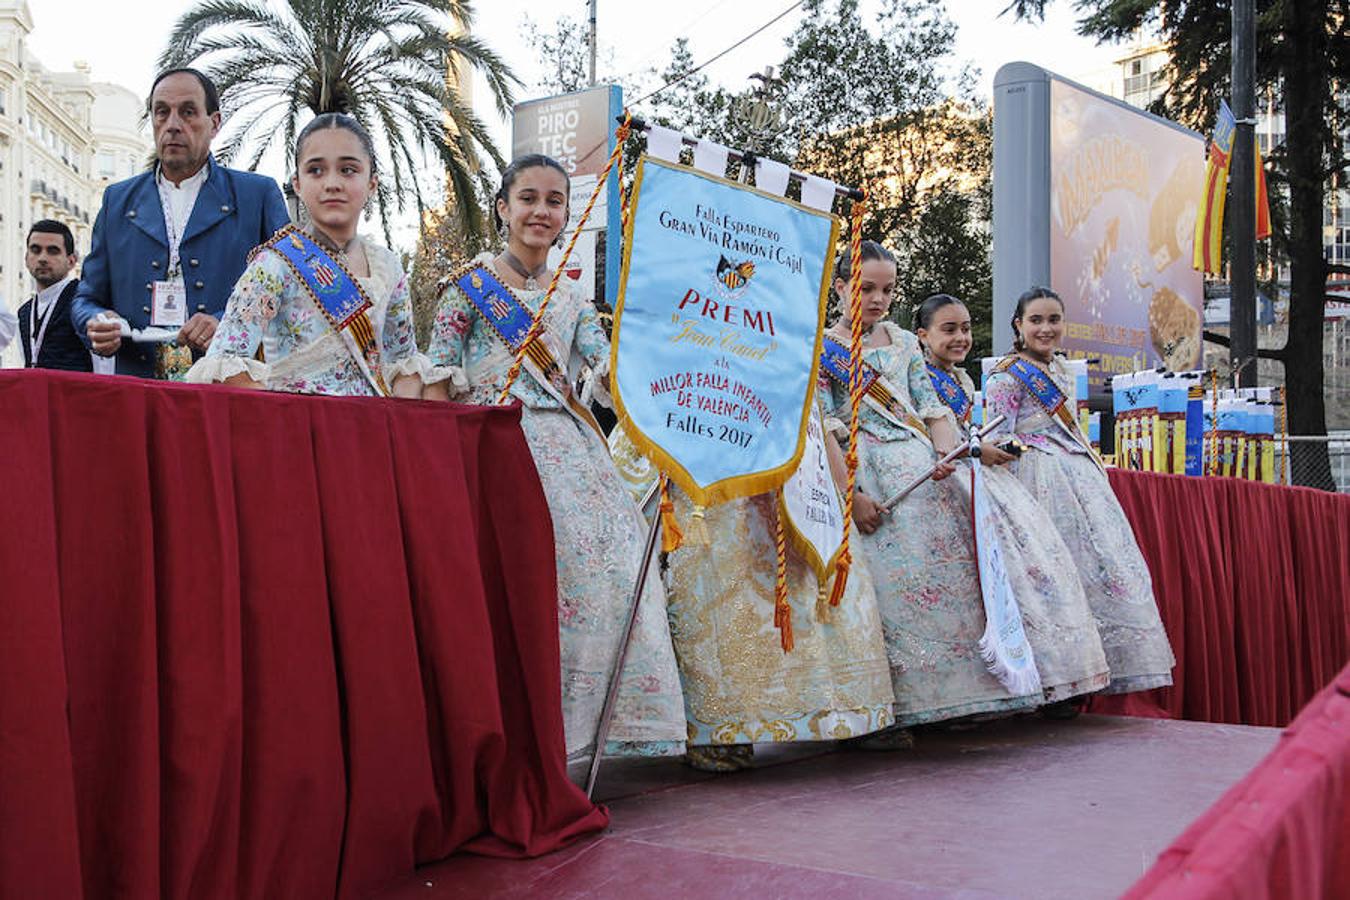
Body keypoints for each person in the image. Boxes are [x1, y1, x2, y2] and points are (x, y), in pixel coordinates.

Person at [423, 155, 687, 766]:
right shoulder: (468, 287)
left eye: (555, 201)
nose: (541, 212)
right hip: (492, 446)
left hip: (570, 450)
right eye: (529, 199)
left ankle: (583, 732)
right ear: (503, 207)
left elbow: (606, 368)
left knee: (610, 573)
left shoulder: (572, 298)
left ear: (569, 212)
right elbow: (437, 377)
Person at [820, 242, 1040, 730]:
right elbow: (824, 426)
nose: (878, 299)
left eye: (887, 290)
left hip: (925, 476)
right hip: (864, 474)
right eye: (866, 288)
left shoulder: (901, 343)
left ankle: (955, 699)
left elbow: (931, 407)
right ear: (839, 287)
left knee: (950, 584)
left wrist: (947, 452)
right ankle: (890, 709)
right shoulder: (819, 348)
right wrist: (850, 495)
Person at [656, 403, 898, 771]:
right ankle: (721, 728)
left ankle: (845, 713)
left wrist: (843, 491)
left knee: (809, 595)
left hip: (791, 462)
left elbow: (815, 411)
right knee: (722, 594)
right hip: (708, 454)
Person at [915, 293, 1110, 711]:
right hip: (958, 475)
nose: (961, 337)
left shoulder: (965, 379)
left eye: (965, 329)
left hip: (991, 473)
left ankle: (1053, 676)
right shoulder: (930, 376)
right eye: (949, 330)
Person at [983, 287, 1175, 693]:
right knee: (1048, 578)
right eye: (1036, 320)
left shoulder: (1063, 370)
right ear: (1018, 325)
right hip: (1036, 481)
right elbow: (998, 438)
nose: (1046, 328)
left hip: (1078, 478)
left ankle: (1084, 674)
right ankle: (1050, 678)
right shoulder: (1006, 374)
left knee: (1092, 568)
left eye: (1054, 320)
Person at [71, 67, 290, 379]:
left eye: (187, 112)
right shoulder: (117, 201)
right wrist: (96, 321)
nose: (172, 125)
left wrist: (228, 323)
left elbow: (288, 290)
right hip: (138, 390)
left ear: (214, 123)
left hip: (227, 385)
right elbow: (86, 298)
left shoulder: (257, 195)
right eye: (162, 112)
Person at [187, 114, 425, 397]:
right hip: (295, 431)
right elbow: (223, 361)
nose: (332, 183)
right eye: (316, 170)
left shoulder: (388, 267)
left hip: (370, 432)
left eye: (348, 170)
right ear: (297, 184)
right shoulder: (275, 263)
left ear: (372, 183)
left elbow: (402, 362)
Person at [17, 220, 92, 371]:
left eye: (53, 251)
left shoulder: (85, 302)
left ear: (71, 261)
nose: (43, 258)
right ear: (26, 259)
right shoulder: (24, 312)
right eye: (35, 250)